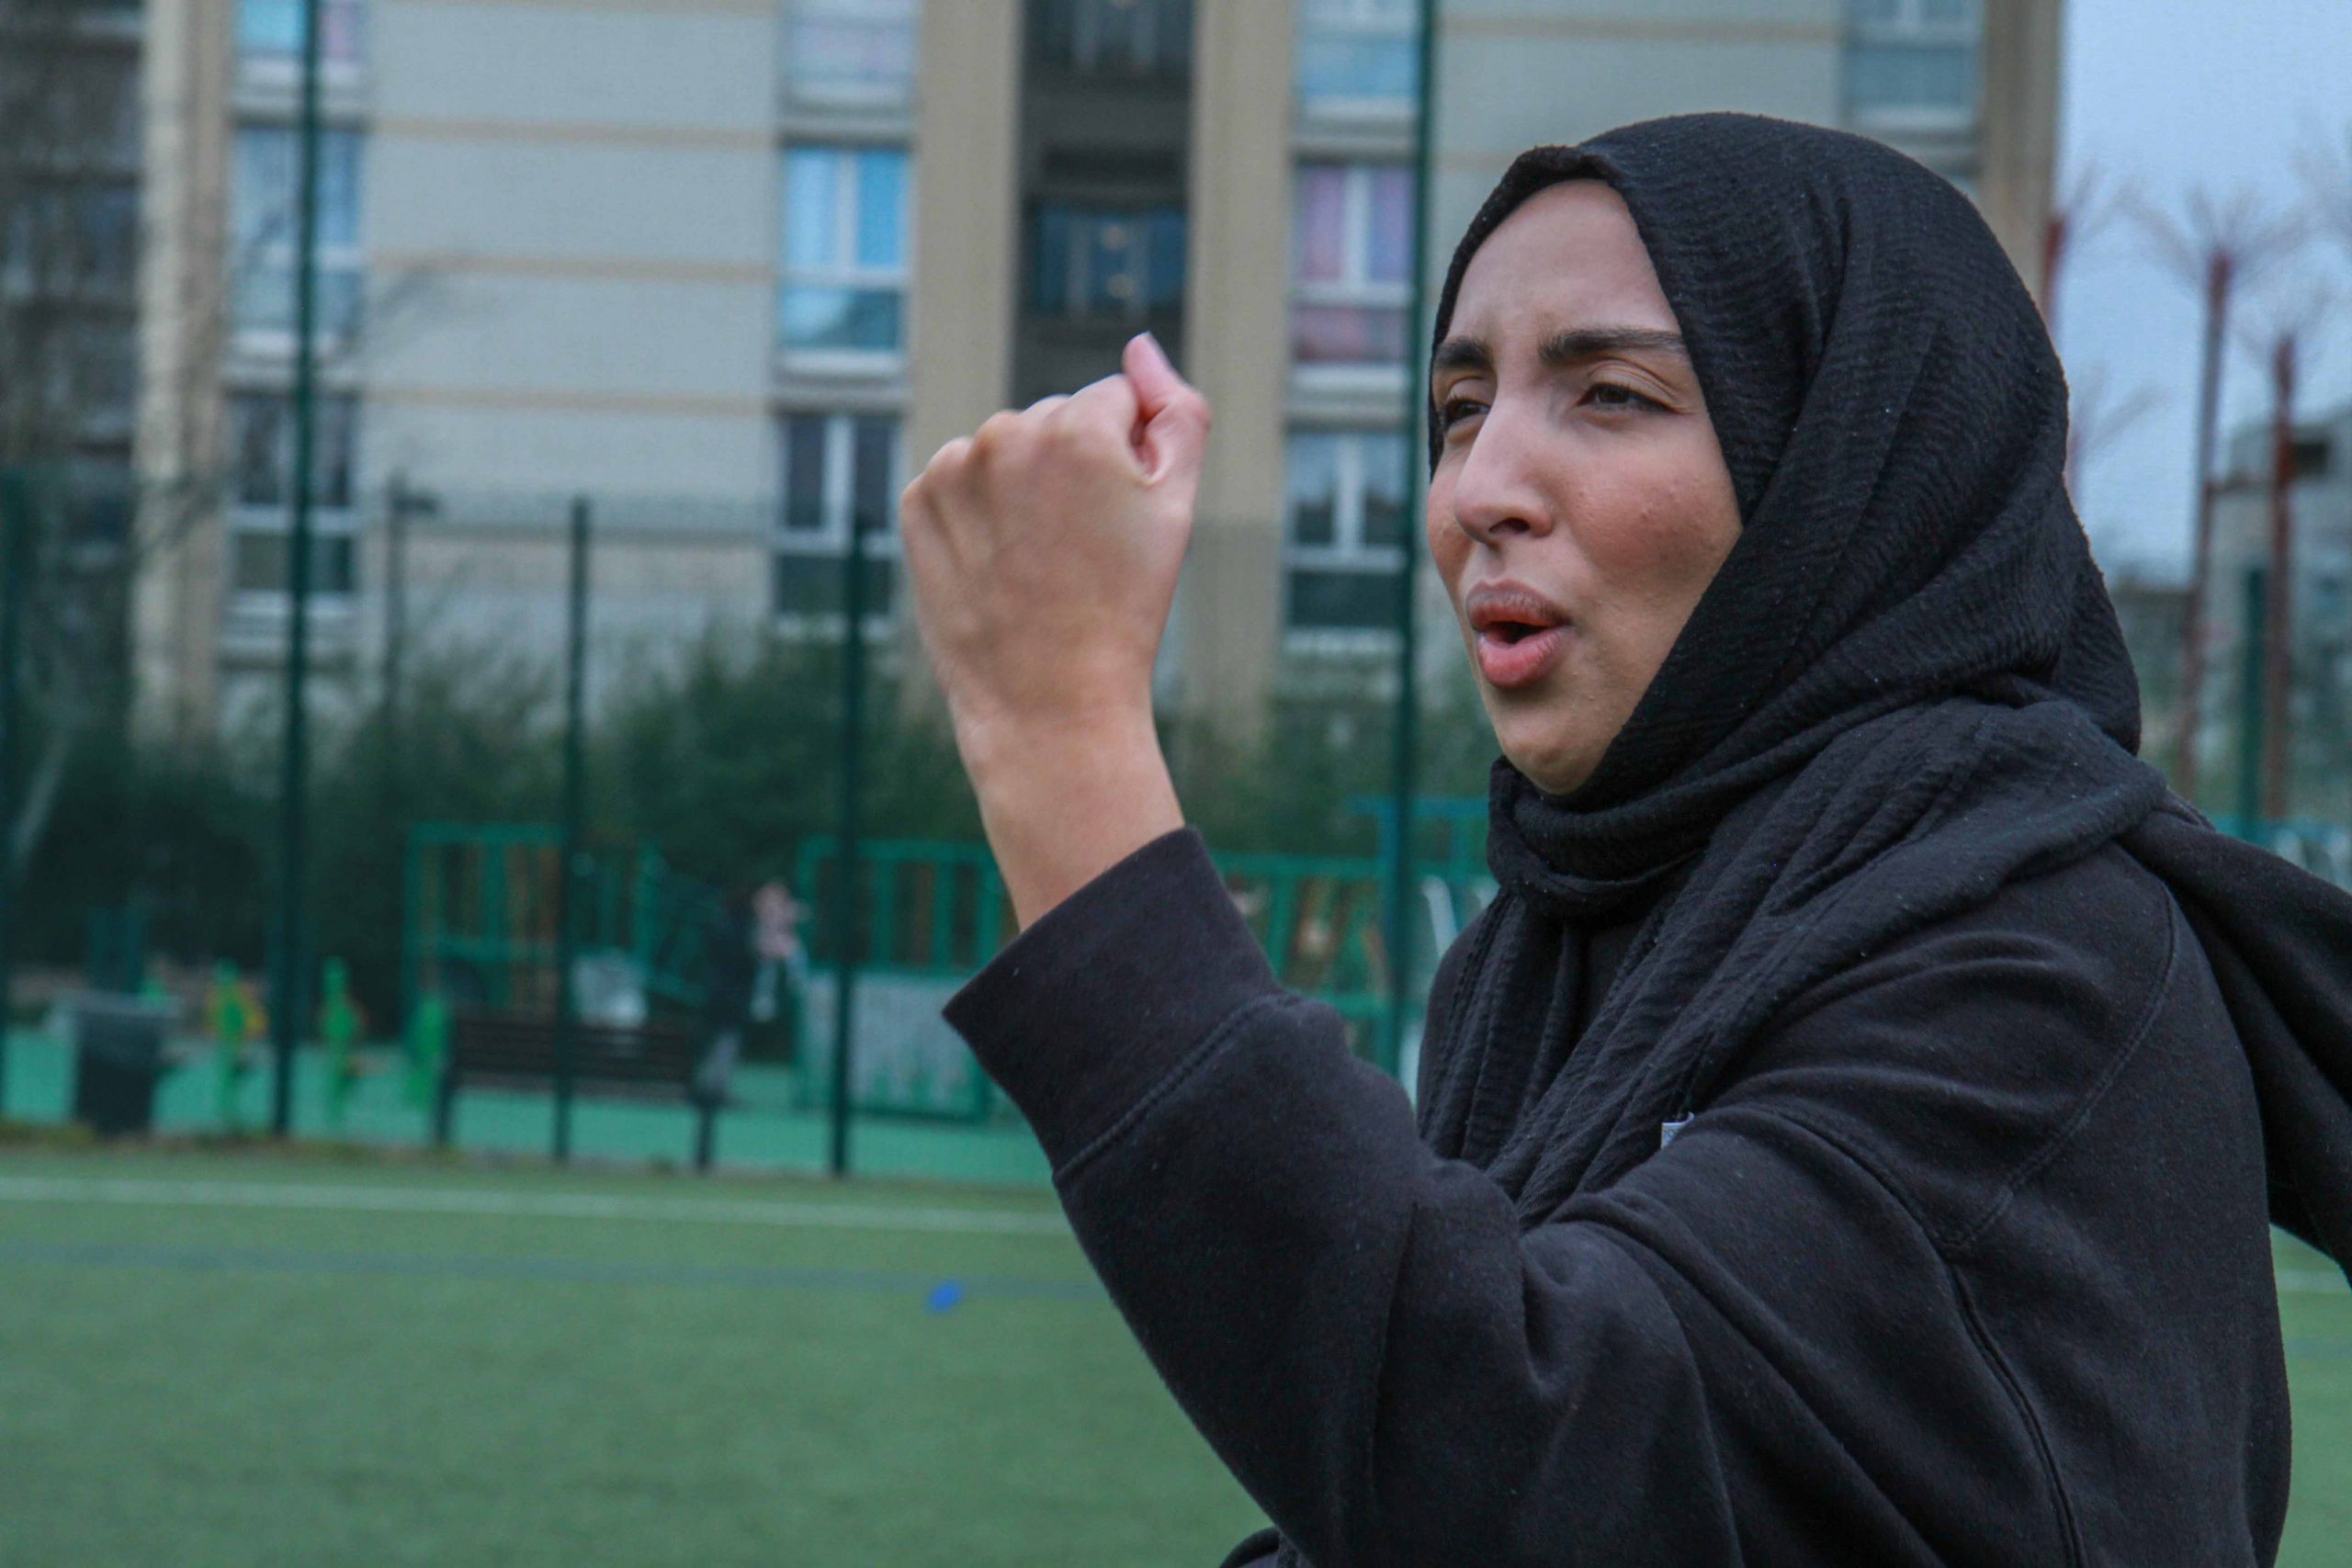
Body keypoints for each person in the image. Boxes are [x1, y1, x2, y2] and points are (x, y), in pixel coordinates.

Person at [897, 114, 2352, 1567]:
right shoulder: (1553, 945)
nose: (1480, 491)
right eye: (1461, 408)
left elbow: (1516, 1457)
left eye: (1610, 394)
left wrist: (1064, 740)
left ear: (1848, 471)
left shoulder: (2037, 960)